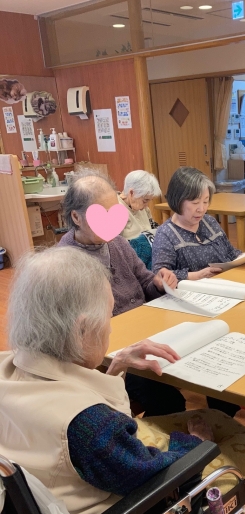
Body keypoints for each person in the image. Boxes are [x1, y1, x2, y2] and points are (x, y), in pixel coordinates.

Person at [0, 247, 245, 514]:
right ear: (81, 329)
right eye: (108, 316)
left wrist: (116, 367)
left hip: (62, 496)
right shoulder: (89, 426)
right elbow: (152, 474)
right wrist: (194, 444)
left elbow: (82, 411)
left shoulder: (10, 368)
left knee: (214, 418)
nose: (110, 326)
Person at [58, 168, 187, 416]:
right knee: (168, 400)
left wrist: (158, 283)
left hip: (145, 329)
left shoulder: (117, 242)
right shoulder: (65, 261)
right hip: (110, 351)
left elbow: (145, 279)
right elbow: (78, 333)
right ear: (76, 217)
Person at [151, 167, 242, 281]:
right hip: (196, 290)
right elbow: (160, 276)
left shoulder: (209, 221)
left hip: (228, 282)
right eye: (195, 203)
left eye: (206, 201)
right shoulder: (166, 234)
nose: (202, 209)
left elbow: (231, 252)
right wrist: (197, 275)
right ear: (178, 200)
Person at [118, 170, 161, 269]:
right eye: (145, 200)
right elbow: (116, 248)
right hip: (132, 264)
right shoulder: (116, 209)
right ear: (131, 193)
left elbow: (153, 228)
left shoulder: (143, 208)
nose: (146, 205)